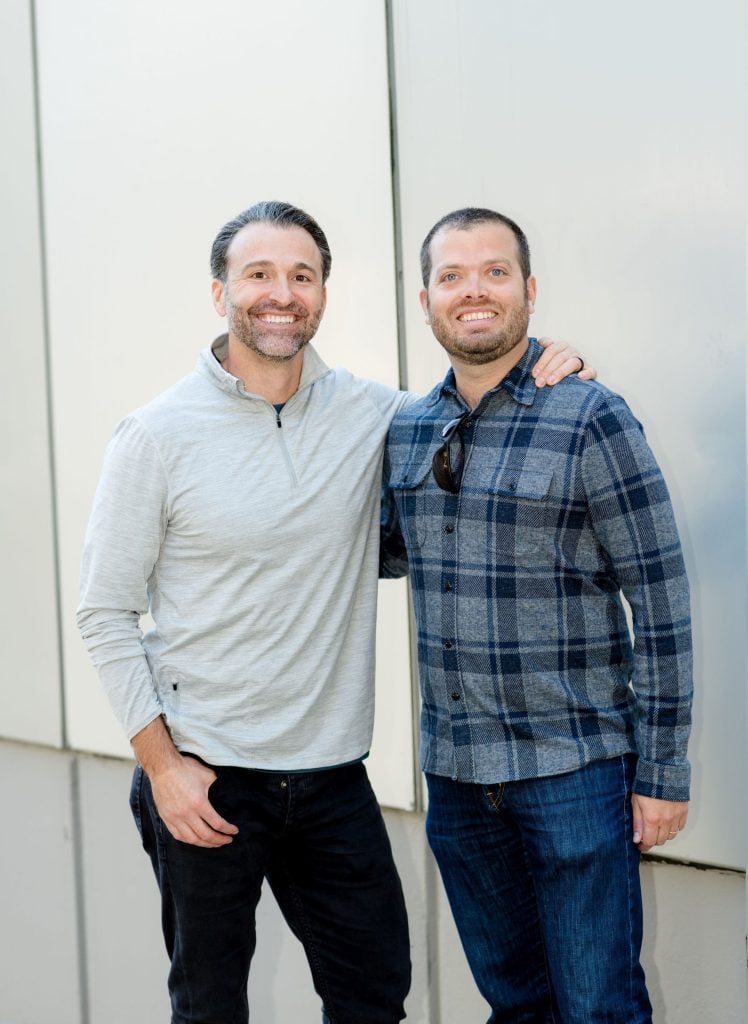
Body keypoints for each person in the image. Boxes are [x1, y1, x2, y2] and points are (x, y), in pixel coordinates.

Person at [76, 200, 589, 1024]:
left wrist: (547, 362)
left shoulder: (377, 416)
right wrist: (164, 767)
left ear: (322, 293)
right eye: (259, 274)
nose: (282, 293)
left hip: (331, 778)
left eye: (302, 276)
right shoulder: (155, 436)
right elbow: (103, 613)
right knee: (209, 1008)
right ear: (220, 293)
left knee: (373, 996)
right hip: (206, 776)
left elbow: (475, 405)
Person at [381, 207, 692, 1024]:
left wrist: (661, 773)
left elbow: (659, 598)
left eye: (494, 271)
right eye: (452, 276)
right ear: (425, 299)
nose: (473, 291)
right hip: (455, 778)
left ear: (528, 290)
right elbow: (373, 550)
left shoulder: (591, 416)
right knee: (516, 1005)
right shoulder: (409, 430)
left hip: (574, 771)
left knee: (599, 1010)